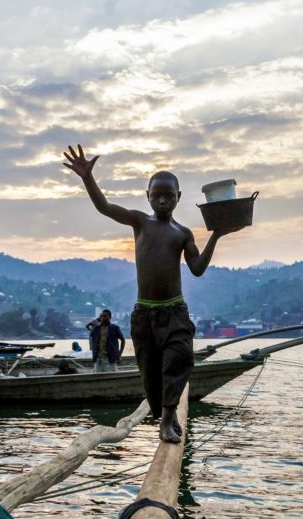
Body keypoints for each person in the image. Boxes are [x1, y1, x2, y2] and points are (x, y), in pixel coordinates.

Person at [64, 144, 242, 443]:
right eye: (156, 195)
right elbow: (104, 207)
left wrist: (216, 235)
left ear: (178, 197)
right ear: (147, 196)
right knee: (149, 371)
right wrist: (87, 178)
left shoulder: (183, 233)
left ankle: (169, 417)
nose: (161, 200)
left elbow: (197, 268)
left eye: (168, 195)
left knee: (180, 357)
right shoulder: (140, 222)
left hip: (174, 311)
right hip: (144, 313)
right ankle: (163, 413)